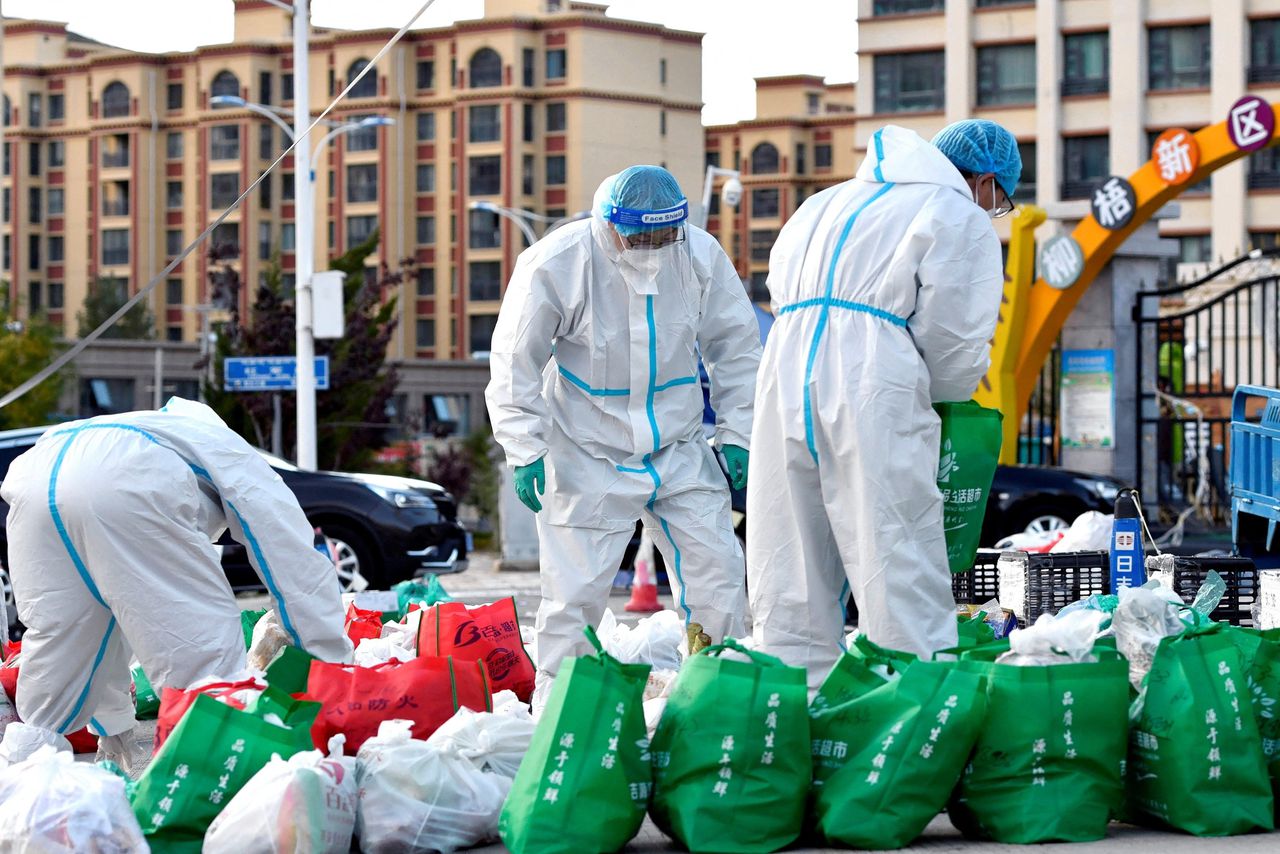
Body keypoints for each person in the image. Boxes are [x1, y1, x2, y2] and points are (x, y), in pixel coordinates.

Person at [747, 120, 1019, 690]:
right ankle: (917, 713)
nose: (996, 210)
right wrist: (939, 400)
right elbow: (956, 339)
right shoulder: (956, 216)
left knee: (790, 558)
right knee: (896, 551)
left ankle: (795, 715)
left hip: (785, 368)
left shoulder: (821, 204)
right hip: (873, 378)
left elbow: (776, 289)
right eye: (1002, 200)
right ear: (988, 181)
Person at [486, 165, 762, 708]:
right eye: (640, 236)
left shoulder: (700, 257)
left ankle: (714, 699)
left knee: (720, 574)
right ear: (609, 225)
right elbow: (514, 359)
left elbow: (737, 348)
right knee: (573, 600)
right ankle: (564, 715)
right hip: (587, 450)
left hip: (678, 448)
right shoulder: (558, 262)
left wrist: (739, 434)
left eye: (664, 236)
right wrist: (525, 447)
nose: (651, 249)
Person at [0, 397, 352, 767]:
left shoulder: (128, 428)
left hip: (33, 481)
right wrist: (330, 660)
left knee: (61, 642)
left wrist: (114, 726)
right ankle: (211, 782)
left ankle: (23, 786)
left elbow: (103, 620)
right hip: (132, 482)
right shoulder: (219, 444)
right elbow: (285, 549)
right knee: (201, 655)